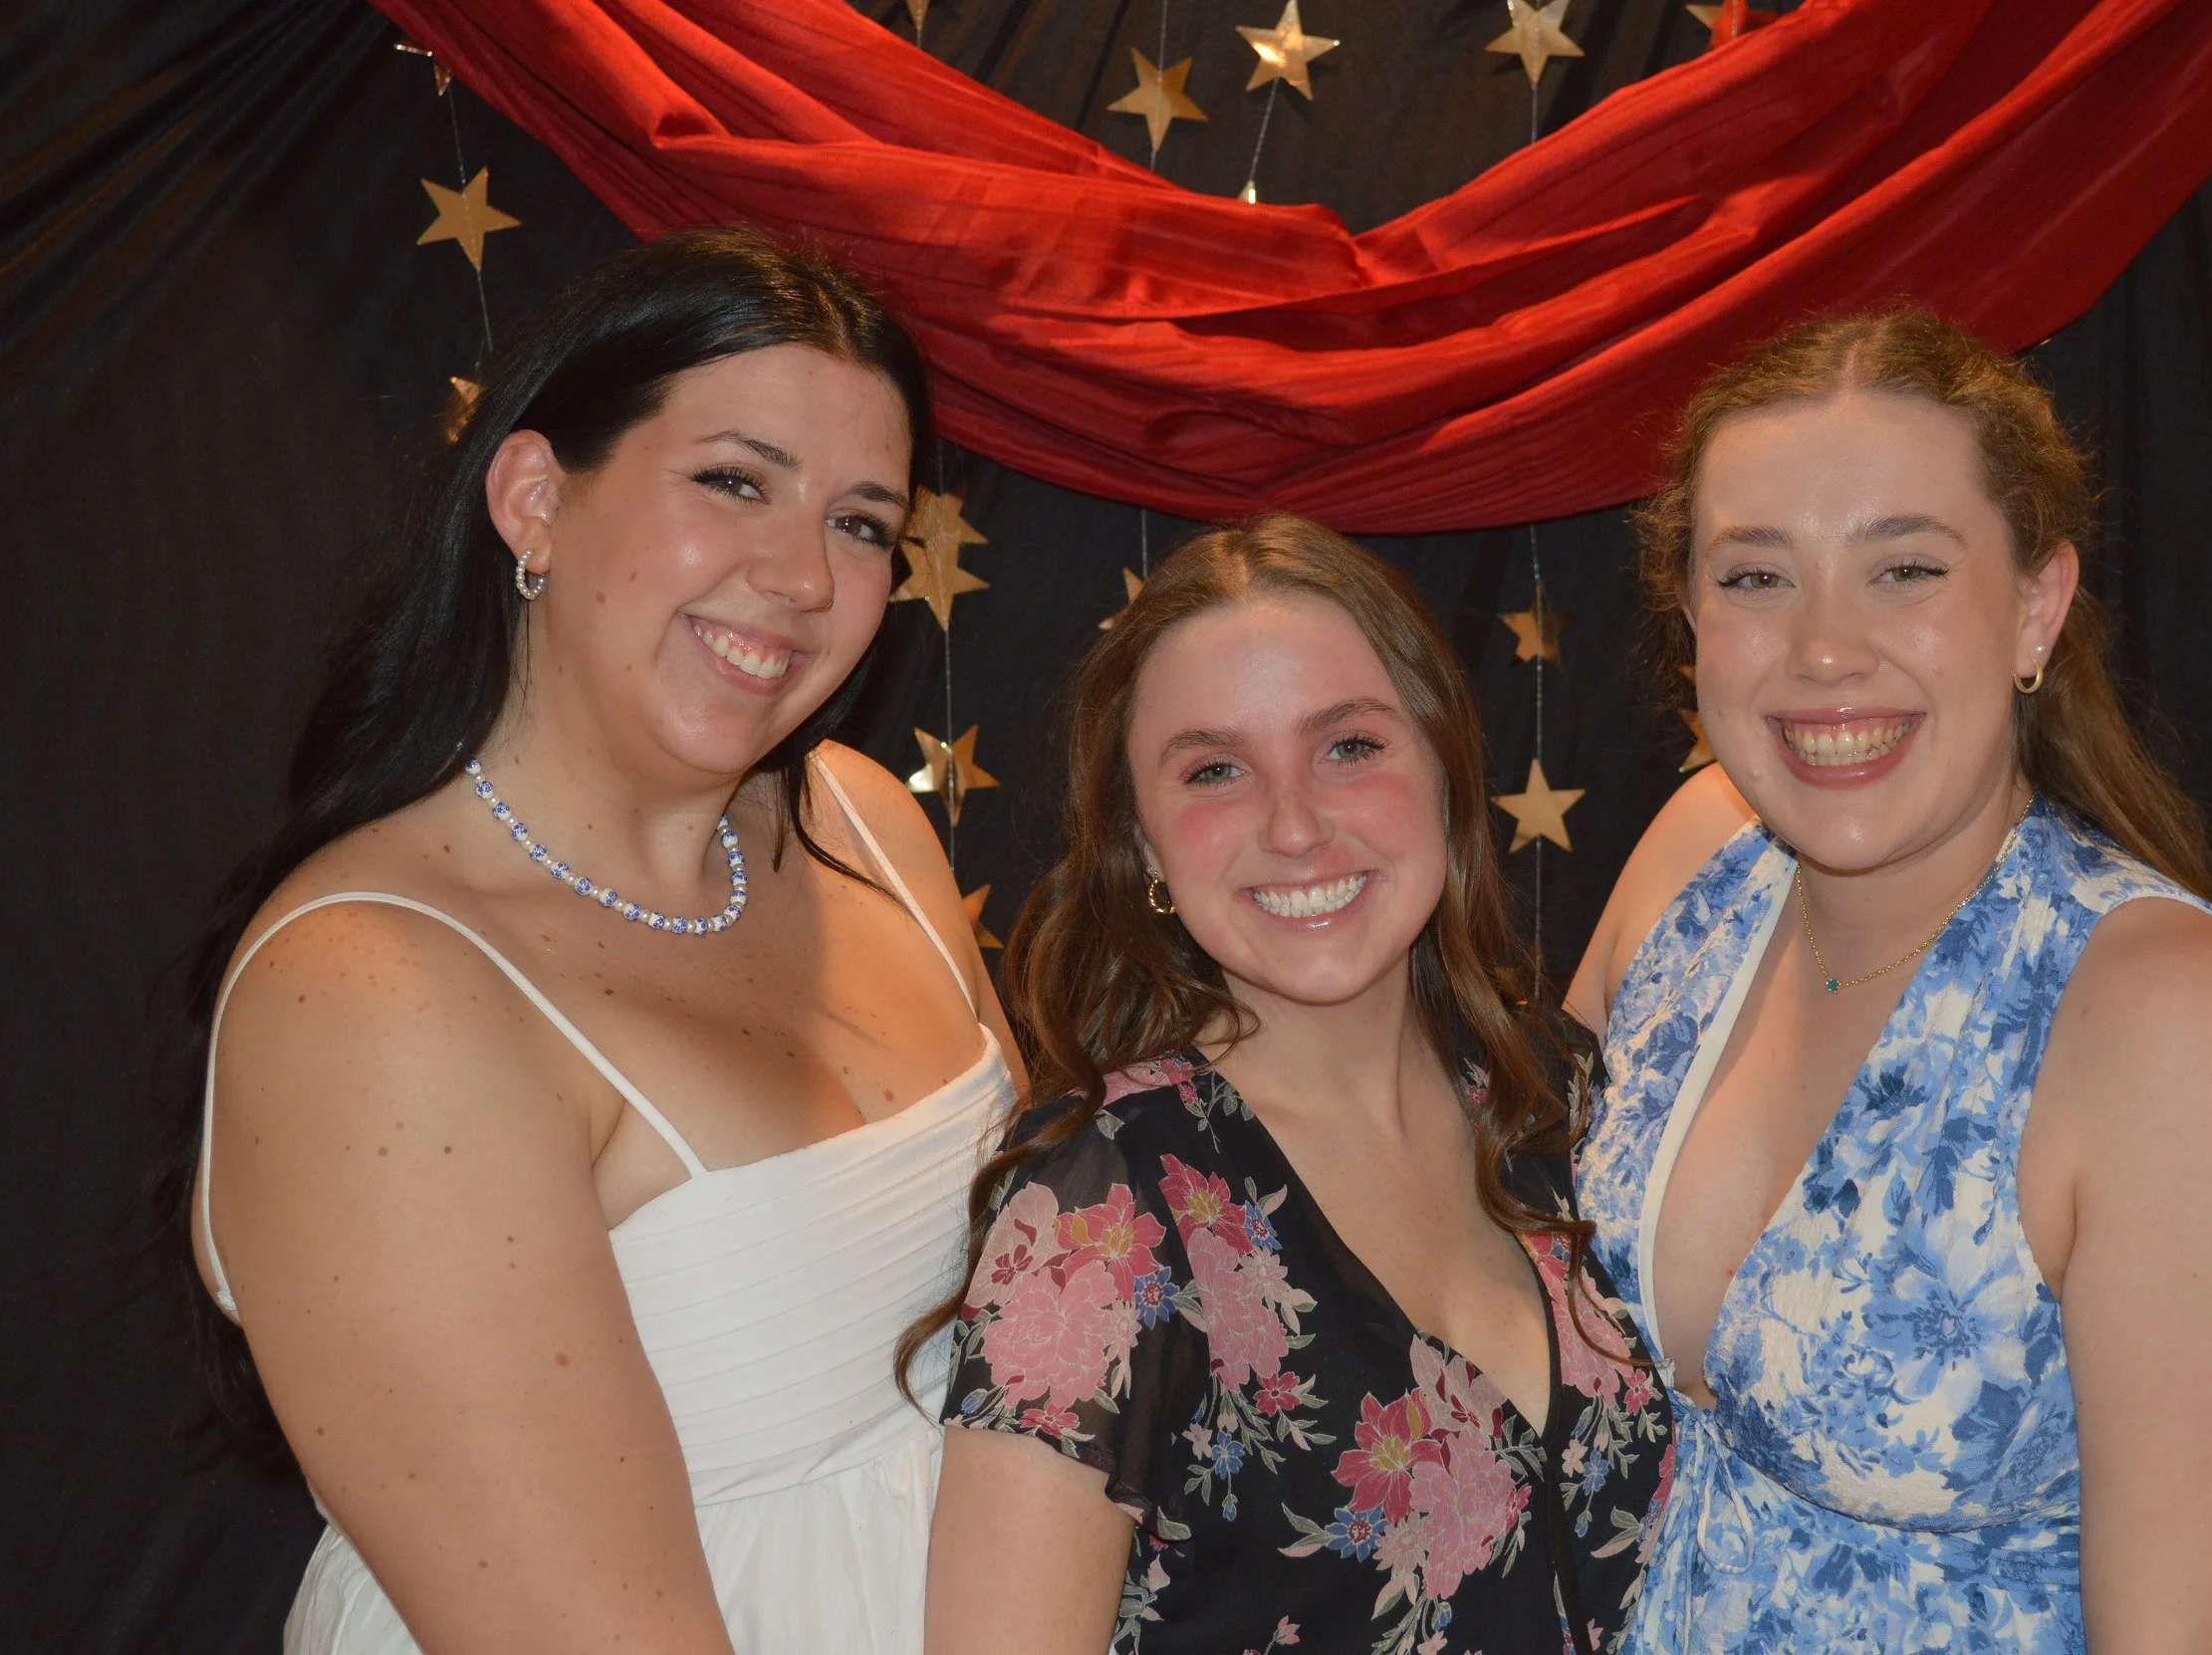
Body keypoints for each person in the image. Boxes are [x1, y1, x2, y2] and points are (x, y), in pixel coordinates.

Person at [175, 229, 1024, 1653]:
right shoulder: (373, 996)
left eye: (862, 522)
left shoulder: (867, 823)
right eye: (735, 482)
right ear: (532, 499)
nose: (805, 577)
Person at [1566, 312, 2212, 1653]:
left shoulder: (2180, 1023)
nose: (1825, 649)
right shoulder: (1699, 859)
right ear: (1692, 616)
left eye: (1906, 570)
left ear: (2036, 606)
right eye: (1758, 578)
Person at [915, 516, 1675, 1655]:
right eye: (1216, 770)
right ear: (1145, 847)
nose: (1295, 825)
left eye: (1350, 746)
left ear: (1443, 768)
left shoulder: (1560, 1097)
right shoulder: (1097, 1220)